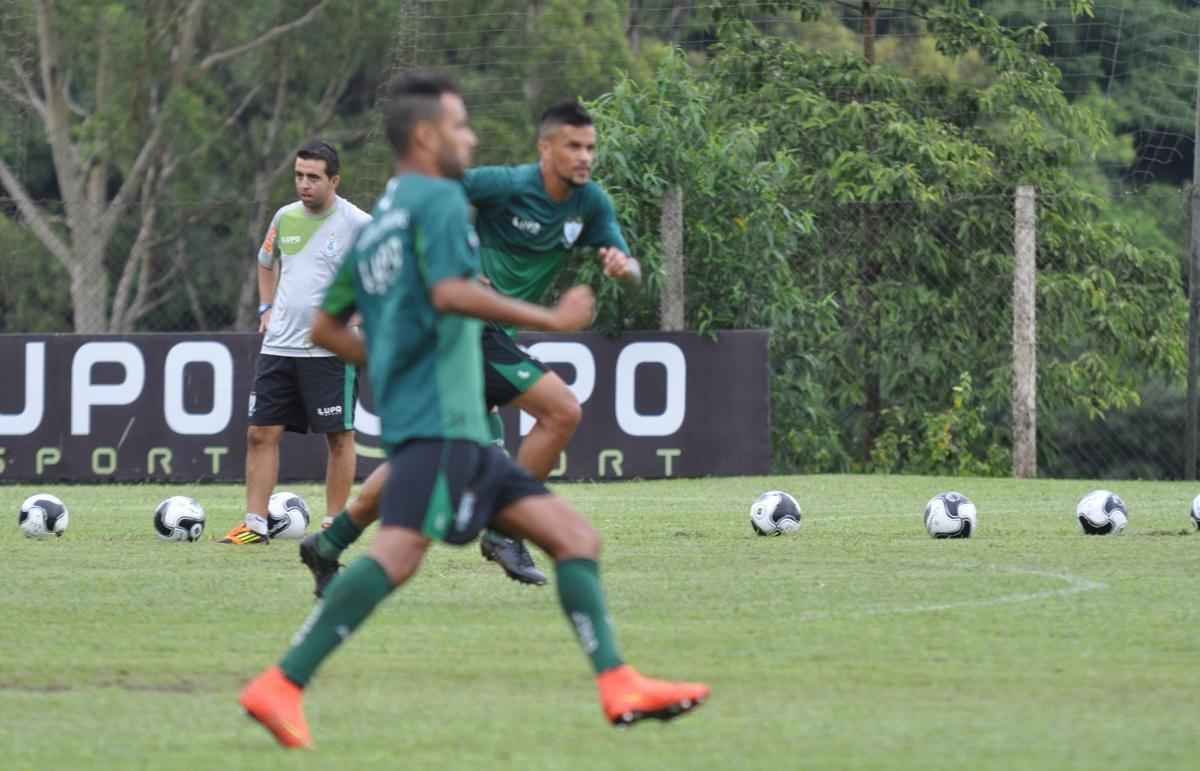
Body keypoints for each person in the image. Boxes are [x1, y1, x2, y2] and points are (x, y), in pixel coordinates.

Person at [238, 73, 709, 749]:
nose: (473, 138)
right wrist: (547, 315)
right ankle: (283, 681)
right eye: (461, 127)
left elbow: (325, 329)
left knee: (575, 539)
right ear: (428, 137)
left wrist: (395, 359)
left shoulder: (381, 222)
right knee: (399, 555)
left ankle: (617, 681)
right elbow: (456, 291)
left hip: (450, 425)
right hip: (442, 427)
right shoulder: (437, 206)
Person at [299, 100, 640, 589]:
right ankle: (503, 532)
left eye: (591, 147)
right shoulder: (507, 184)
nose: (585, 156)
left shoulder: (591, 203)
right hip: (468, 325)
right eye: (573, 146)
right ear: (546, 149)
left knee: (423, 459)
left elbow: (631, 265)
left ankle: (328, 544)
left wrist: (623, 267)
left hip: (485, 331)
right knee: (561, 410)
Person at [220, 141, 371, 545]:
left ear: (334, 180)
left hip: (330, 350)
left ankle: (334, 522)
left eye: (313, 177)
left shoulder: (358, 223)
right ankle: (253, 525)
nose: (304, 184)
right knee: (260, 433)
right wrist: (266, 307)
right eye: (299, 176)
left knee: (339, 436)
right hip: (279, 346)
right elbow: (265, 262)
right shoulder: (284, 218)